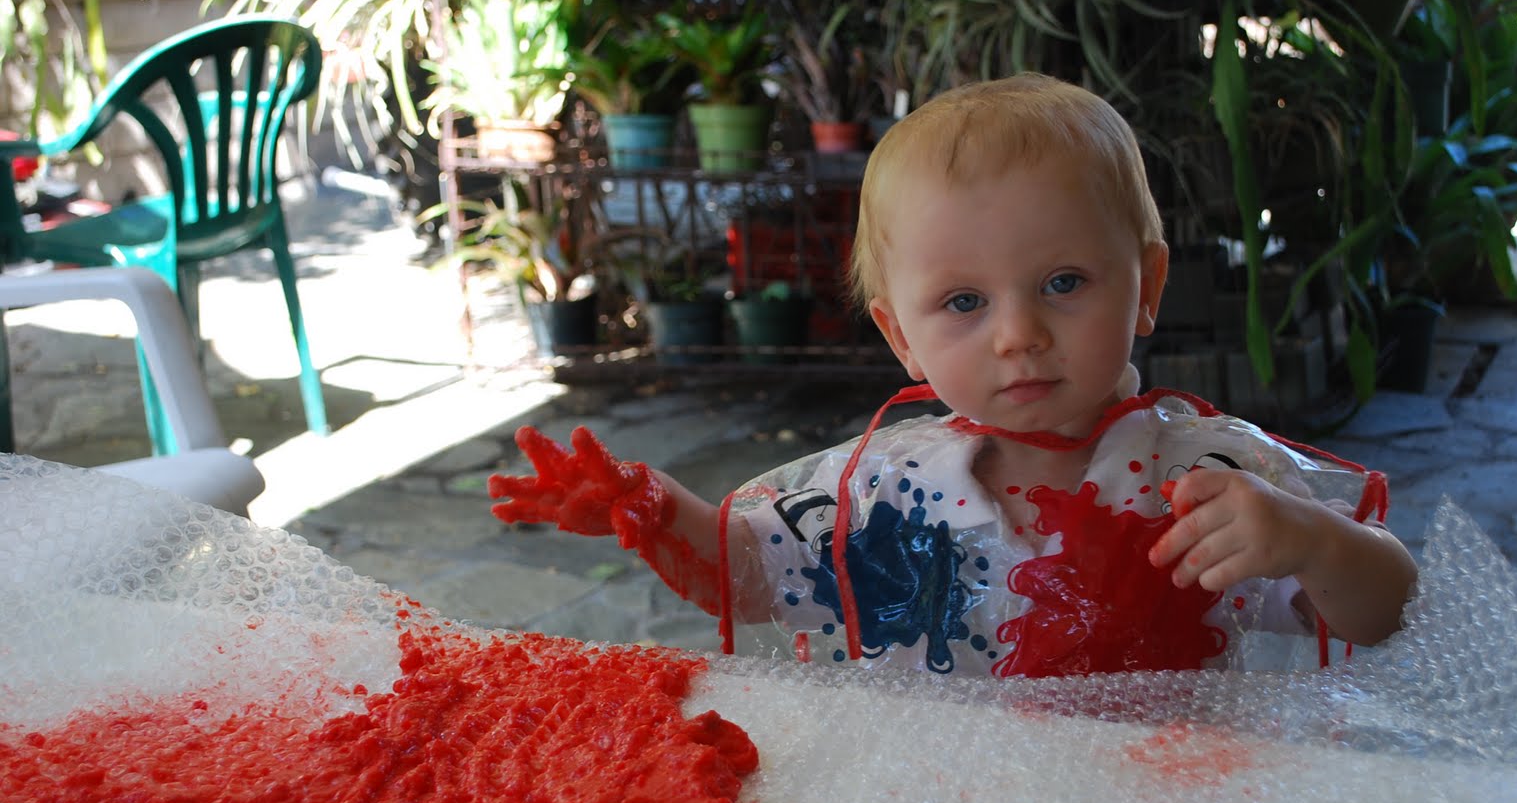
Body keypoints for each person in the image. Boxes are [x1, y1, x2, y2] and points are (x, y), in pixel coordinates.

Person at [489, 73, 1418, 677]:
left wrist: (1317, 542)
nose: (1020, 334)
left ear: (1148, 286)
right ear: (901, 337)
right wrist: (650, 510)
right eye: (964, 303)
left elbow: (1384, 611)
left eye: (1063, 283)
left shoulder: (1211, 480)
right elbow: (752, 577)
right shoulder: (884, 490)